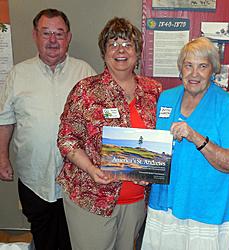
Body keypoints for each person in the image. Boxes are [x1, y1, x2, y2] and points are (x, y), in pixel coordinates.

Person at [56, 17, 162, 250]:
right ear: (103, 53)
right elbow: (66, 138)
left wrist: (151, 170)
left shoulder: (153, 91)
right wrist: (92, 169)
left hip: (135, 200)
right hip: (91, 197)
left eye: (127, 44)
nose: (120, 50)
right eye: (113, 44)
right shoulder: (86, 90)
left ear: (138, 52)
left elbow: (158, 142)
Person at [0, 8, 96, 250]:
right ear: (35, 35)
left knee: (72, 238)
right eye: (46, 33)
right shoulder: (18, 74)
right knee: (42, 236)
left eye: (59, 33)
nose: (53, 40)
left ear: (69, 37)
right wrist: (2, 157)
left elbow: (99, 123)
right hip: (33, 177)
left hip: (75, 179)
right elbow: (5, 119)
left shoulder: (84, 72)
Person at [141, 37, 229, 250]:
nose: (194, 74)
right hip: (164, 206)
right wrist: (143, 171)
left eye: (202, 66)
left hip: (205, 210)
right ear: (180, 69)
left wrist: (195, 136)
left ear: (213, 71)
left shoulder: (228, 106)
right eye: (188, 65)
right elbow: (156, 149)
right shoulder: (166, 99)